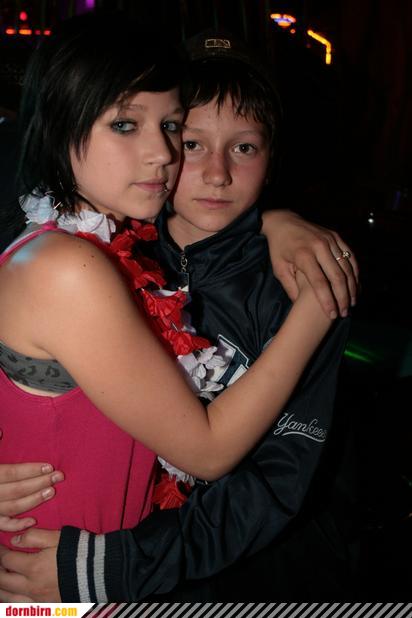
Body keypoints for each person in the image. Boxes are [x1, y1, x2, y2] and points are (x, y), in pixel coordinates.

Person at [0, 31, 356, 602]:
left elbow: (278, 480)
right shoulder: (93, 257)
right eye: (191, 142)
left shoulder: (300, 278)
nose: (212, 171)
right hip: (64, 581)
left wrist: (280, 233)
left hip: (249, 582)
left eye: (244, 148)